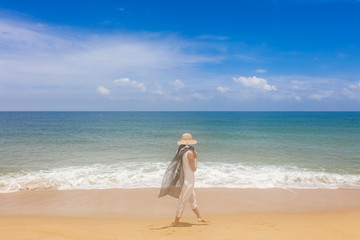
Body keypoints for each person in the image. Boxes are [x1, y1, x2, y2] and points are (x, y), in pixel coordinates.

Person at [158, 133, 206, 226]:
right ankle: (176, 221)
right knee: (182, 200)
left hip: (183, 178)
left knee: (192, 197)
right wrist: (196, 158)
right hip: (189, 179)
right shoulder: (190, 153)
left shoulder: (180, 150)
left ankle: (199, 217)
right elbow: (194, 168)